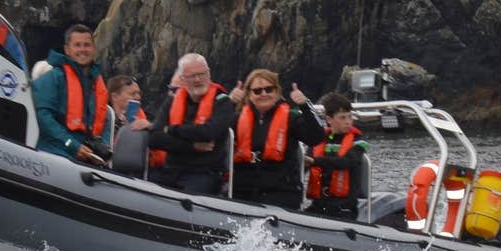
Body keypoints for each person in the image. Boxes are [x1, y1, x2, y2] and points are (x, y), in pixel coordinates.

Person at [227, 69, 325, 209]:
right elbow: (215, 131)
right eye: (257, 91)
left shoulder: (292, 118)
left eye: (269, 89)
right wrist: (229, 103)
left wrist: (304, 105)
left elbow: (316, 137)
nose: (264, 94)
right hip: (243, 190)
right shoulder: (236, 119)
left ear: (277, 92)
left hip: (281, 191)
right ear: (249, 94)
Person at [144, 53, 235, 195]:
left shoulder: (222, 102)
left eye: (202, 74)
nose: (198, 80)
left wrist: (171, 130)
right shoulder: (172, 101)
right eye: (192, 76)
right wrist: (192, 145)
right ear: (183, 79)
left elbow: (207, 133)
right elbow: (154, 139)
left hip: (203, 173)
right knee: (148, 194)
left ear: (209, 74)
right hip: (170, 170)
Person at [32, 24, 112, 166]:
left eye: (87, 45)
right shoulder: (53, 78)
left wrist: (102, 147)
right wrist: (72, 145)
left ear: (93, 49)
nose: (82, 49)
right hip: (55, 152)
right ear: (67, 50)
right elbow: (43, 117)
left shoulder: (97, 83)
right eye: (77, 45)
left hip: (87, 158)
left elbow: (104, 120)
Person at [305, 92, 368, 219]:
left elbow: (348, 162)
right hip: (318, 205)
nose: (348, 122)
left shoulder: (358, 142)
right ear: (329, 119)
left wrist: (315, 161)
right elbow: (304, 165)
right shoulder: (318, 140)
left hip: (344, 208)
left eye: (350, 117)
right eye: (342, 118)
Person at [108, 74, 164, 171]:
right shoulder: (103, 117)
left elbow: (160, 158)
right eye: (132, 94)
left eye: (139, 94)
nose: (138, 97)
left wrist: (149, 129)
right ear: (115, 96)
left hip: (136, 175)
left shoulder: (147, 122)